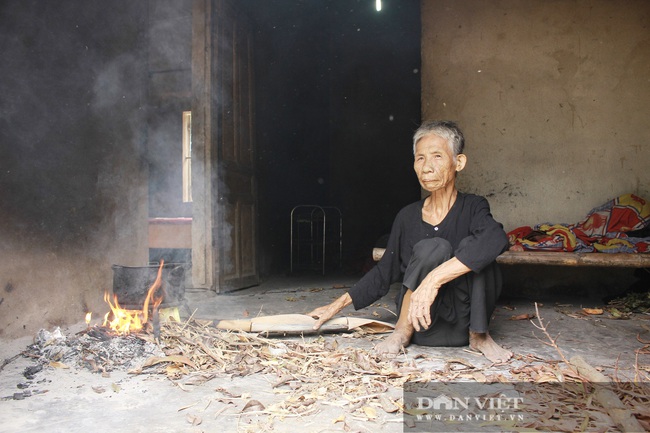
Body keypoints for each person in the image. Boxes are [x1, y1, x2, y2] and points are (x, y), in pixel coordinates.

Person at [308, 120, 512, 363]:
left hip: (464, 324)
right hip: (420, 324)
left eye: (437, 156)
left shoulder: (473, 207)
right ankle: (399, 333)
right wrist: (335, 306)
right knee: (434, 247)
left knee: (480, 250)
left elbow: (495, 238)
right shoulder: (407, 216)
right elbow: (385, 271)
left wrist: (433, 280)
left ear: (459, 162)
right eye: (420, 158)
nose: (427, 167)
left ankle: (481, 337)